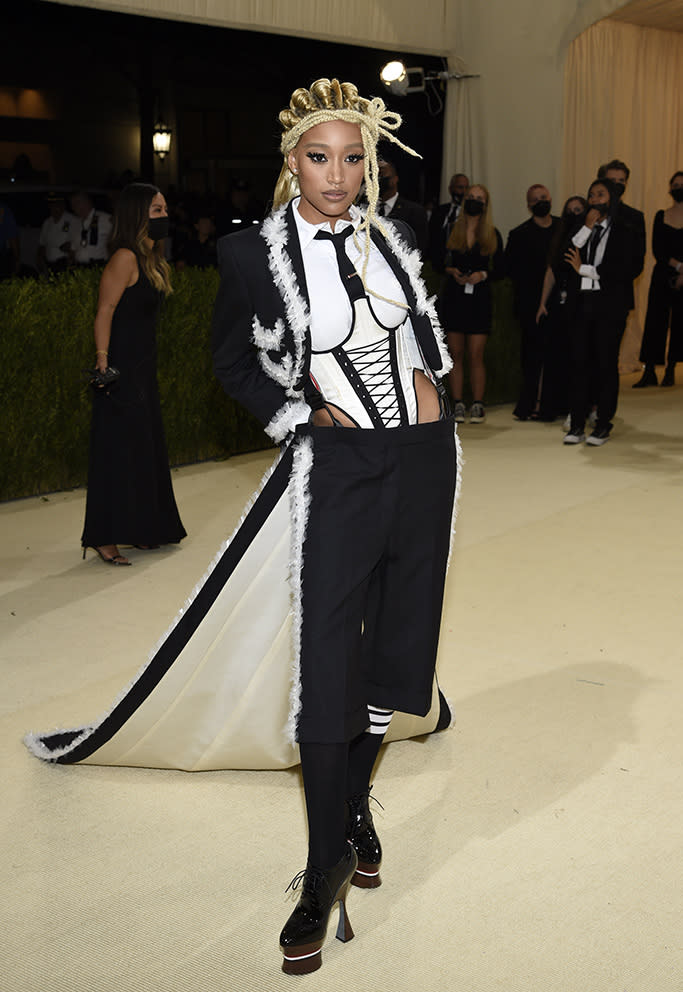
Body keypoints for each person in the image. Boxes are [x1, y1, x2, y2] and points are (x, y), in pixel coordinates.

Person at [212, 77, 458, 975]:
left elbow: (414, 333)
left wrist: (435, 382)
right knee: (326, 658)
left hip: (423, 464)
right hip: (338, 471)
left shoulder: (394, 237)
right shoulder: (250, 255)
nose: (338, 175)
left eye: (354, 158)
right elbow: (231, 361)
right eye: (320, 157)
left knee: (395, 648)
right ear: (291, 163)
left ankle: (354, 807)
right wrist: (297, 416)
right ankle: (323, 867)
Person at [81, 182, 186, 564]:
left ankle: (144, 529)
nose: (164, 217)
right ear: (138, 214)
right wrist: (103, 359)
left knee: (144, 450)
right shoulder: (124, 258)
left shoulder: (150, 258)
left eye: (164, 210)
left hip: (143, 367)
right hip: (121, 369)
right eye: (157, 210)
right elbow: (104, 310)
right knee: (116, 453)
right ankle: (103, 536)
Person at [562, 178, 642, 446]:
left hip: (610, 306)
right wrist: (586, 226)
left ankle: (603, 424)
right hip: (582, 304)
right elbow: (567, 254)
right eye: (591, 195)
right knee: (578, 363)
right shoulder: (582, 229)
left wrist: (584, 270)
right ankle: (576, 425)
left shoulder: (624, 231)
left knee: (606, 364)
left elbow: (623, 270)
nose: (595, 199)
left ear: (612, 199)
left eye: (601, 194)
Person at [439, 183, 504, 423]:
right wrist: (451, 270)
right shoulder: (450, 229)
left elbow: (502, 268)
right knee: (455, 353)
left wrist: (483, 275)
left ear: (485, 205)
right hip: (455, 297)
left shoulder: (492, 233)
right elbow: (436, 258)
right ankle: (458, 403)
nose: (475, 201)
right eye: (471, 197)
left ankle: (478, 403)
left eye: (480, 198)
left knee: (476, 354)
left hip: (479, 298)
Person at [505, 184, 560, 420]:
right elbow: (510, 270)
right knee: (531, 357)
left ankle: (554, 406)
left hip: (560, 303)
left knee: (558, 356)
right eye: (535, 199)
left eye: (544, 197)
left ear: (550, 199)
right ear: (528, 206)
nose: (540, 202)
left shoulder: (562, 228)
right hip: (529, 305)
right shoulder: (518, 235)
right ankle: (529, 405)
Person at [534, 196, 587, 421]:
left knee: (578, 358)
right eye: (570, 210)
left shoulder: (589, 238)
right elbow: (551, 272)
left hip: (582, 302)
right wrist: (542, 303)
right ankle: (550, 407)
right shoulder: (559, 238)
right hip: (558, 304)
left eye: (579, 209)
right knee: (554, 356)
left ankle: (581, 408)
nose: (574, 213)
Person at [634, 170, 683, 388]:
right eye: (675, 185)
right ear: (670, 189)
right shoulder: (661, 215)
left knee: (680, 322)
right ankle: (650, 370)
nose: (679, 188)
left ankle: (671, 369)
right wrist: (679, 266)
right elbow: (658, 250)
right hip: (663, 273)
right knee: (655, 320)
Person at [376, 157, 429, 256]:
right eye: (375, 177)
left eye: (382, 175)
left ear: (395, 179)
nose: (378, 180)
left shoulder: (414, 211)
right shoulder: (364, 208)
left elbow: (419, 249)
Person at [428, 172, 469, 273]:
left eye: (466, 188)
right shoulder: (439, 211)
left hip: (460, 269)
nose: (463, 191)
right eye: (460, 187)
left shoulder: (470, 214)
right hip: (437, 267)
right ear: (451, 189)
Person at [69, 190, 112, 266]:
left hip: (98, 266)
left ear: (87, 202)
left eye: (77, 202)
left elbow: (116, 242)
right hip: (79, 267)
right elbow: (73, 248)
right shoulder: (75, 223)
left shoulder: (106, 219)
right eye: (72, 205)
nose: (74, 207)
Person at [37, 192, 77, 273]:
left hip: (65, 264)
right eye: (52, 205)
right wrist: (39, 259)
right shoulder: (47, 222)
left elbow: (76, 242)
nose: (54, 208)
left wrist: (69, 247)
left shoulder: (72, 220)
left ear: (63, 206)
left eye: (57, 205)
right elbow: (42, 244)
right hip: (49, 264)